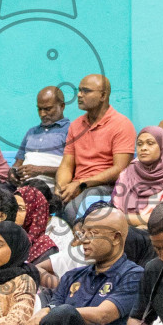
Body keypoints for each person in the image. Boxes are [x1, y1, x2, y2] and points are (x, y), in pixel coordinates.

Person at [38, 205, 145, 325]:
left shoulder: (133, 275)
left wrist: (50, 312)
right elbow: (52, 307)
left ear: (116, 238)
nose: (84, 240)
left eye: (92, 233)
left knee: (65, 312)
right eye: (83, 233)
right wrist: (42, 312)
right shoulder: (71, 276)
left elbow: (102, 315)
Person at [54, 74, 136, 220]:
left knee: (72, 210)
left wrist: (82, 184)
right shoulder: (76, 125)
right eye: (79, 90)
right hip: (78, 185)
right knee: (46, 202)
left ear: (103, 96)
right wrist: (61, 187)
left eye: (86, 91)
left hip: (106, 187)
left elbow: (120, 169)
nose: (79, 95)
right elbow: (67, 164)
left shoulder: (122, 124)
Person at [114, 127, 163, 226]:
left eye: (150, 143)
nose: (143, 148)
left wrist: (125, 218)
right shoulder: (127, 173)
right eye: (139, 144)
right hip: (124, 229)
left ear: (162, 146)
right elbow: (115, 213)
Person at [12, 86, 71, 181]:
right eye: (39, 109)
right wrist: (12, 172)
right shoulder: (31, 132)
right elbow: (18, 163)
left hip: (49, 187)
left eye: (47, 109)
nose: (42, 114)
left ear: (62, 106)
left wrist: (40, 170)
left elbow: (73, 169)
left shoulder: (70, 131)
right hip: (23, 186)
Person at [15, 185, 57, 263]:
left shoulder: (45, 248)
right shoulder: (5, 236)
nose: (14, 212)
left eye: (20, 209)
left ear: (34, 213)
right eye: (13, 207)